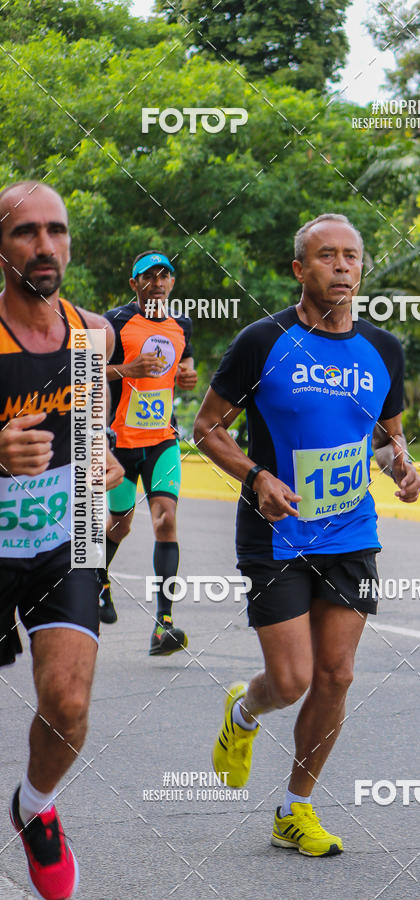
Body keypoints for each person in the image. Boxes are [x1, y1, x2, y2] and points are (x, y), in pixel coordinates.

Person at [194, 213, 420, 857]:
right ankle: (245, 710)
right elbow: (206, 427)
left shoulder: (384, 350)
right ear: (300, 270)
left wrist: (401, 465)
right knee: (289, 680)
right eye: (327, 256)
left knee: (336, 676)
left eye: (352, 256)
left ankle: (296, 808)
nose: (342, 267)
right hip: (278, 533)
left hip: (350, 531)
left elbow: (384, 434)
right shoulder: (263, 343)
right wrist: (256, 474)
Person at [0, 181, 123, 899]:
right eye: (25, 233)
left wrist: (99, 461)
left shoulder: (92, 333)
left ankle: (34, 808)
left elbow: (87, 423)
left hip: (62, 536)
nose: (45, 246)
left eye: (57, 231)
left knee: (69, 703)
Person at [98, 252, 197, 655]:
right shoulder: (111, 322)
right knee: (120, 525)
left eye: (164, 276)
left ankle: (164, 623)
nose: (157, 282)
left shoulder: (182, 325)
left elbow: (184, 371)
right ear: (133, 283)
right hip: (120, 444)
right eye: (148, 277)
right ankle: (98, 580)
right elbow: (82, 370)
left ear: (172, 283)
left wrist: (189, 376)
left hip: (161, 440)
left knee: (166, 521)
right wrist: (127, 370)